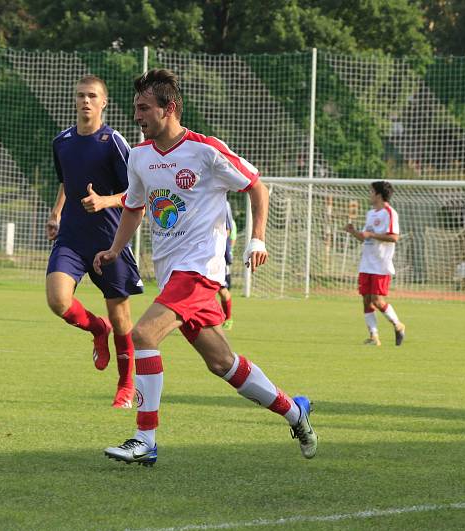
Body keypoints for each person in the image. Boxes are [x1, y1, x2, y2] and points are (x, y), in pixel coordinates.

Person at [93, 69, 317, 465]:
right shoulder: (140, 156)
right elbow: (134, 207)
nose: (137, 116)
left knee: (143, 334)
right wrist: (114, 249)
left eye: (144, 108)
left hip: (200, 268)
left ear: (169, 108)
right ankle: (295, 412)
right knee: (222, 364)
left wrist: (257, 238)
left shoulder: (205, 150)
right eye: (135, 108)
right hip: (170, 272)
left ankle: (145, 440)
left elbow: (255, 186)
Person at [46, 75, 143, 409]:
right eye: (80, 96)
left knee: (122, 319)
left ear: (104, 103)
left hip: (109, 239)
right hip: (72, 237)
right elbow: (66, 182)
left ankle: (126, 385)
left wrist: (105, 201)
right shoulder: (62, 142)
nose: (85, 101)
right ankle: (95, 329)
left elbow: (136, 191)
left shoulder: (113, 141)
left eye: (92, 96)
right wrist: (56, 212)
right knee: (58, 301)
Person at [345, 181, 406, 347]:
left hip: (381, 264)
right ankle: (374, 336)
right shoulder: (370, 213)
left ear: (379, 194)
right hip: (366, 263)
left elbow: (394, 237)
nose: (369, 195)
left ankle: (398, 325)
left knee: (377, 300)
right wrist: (353, 232)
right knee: (366, 300)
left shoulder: (390, 213)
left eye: (371, 192)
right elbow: (365, 237)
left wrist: (371, 234)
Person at [218, 200, 237, 330]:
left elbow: (229, 231)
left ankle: (228, 319)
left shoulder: (224, 204)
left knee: (222, 290)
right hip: (202, 255)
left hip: (220, 256)